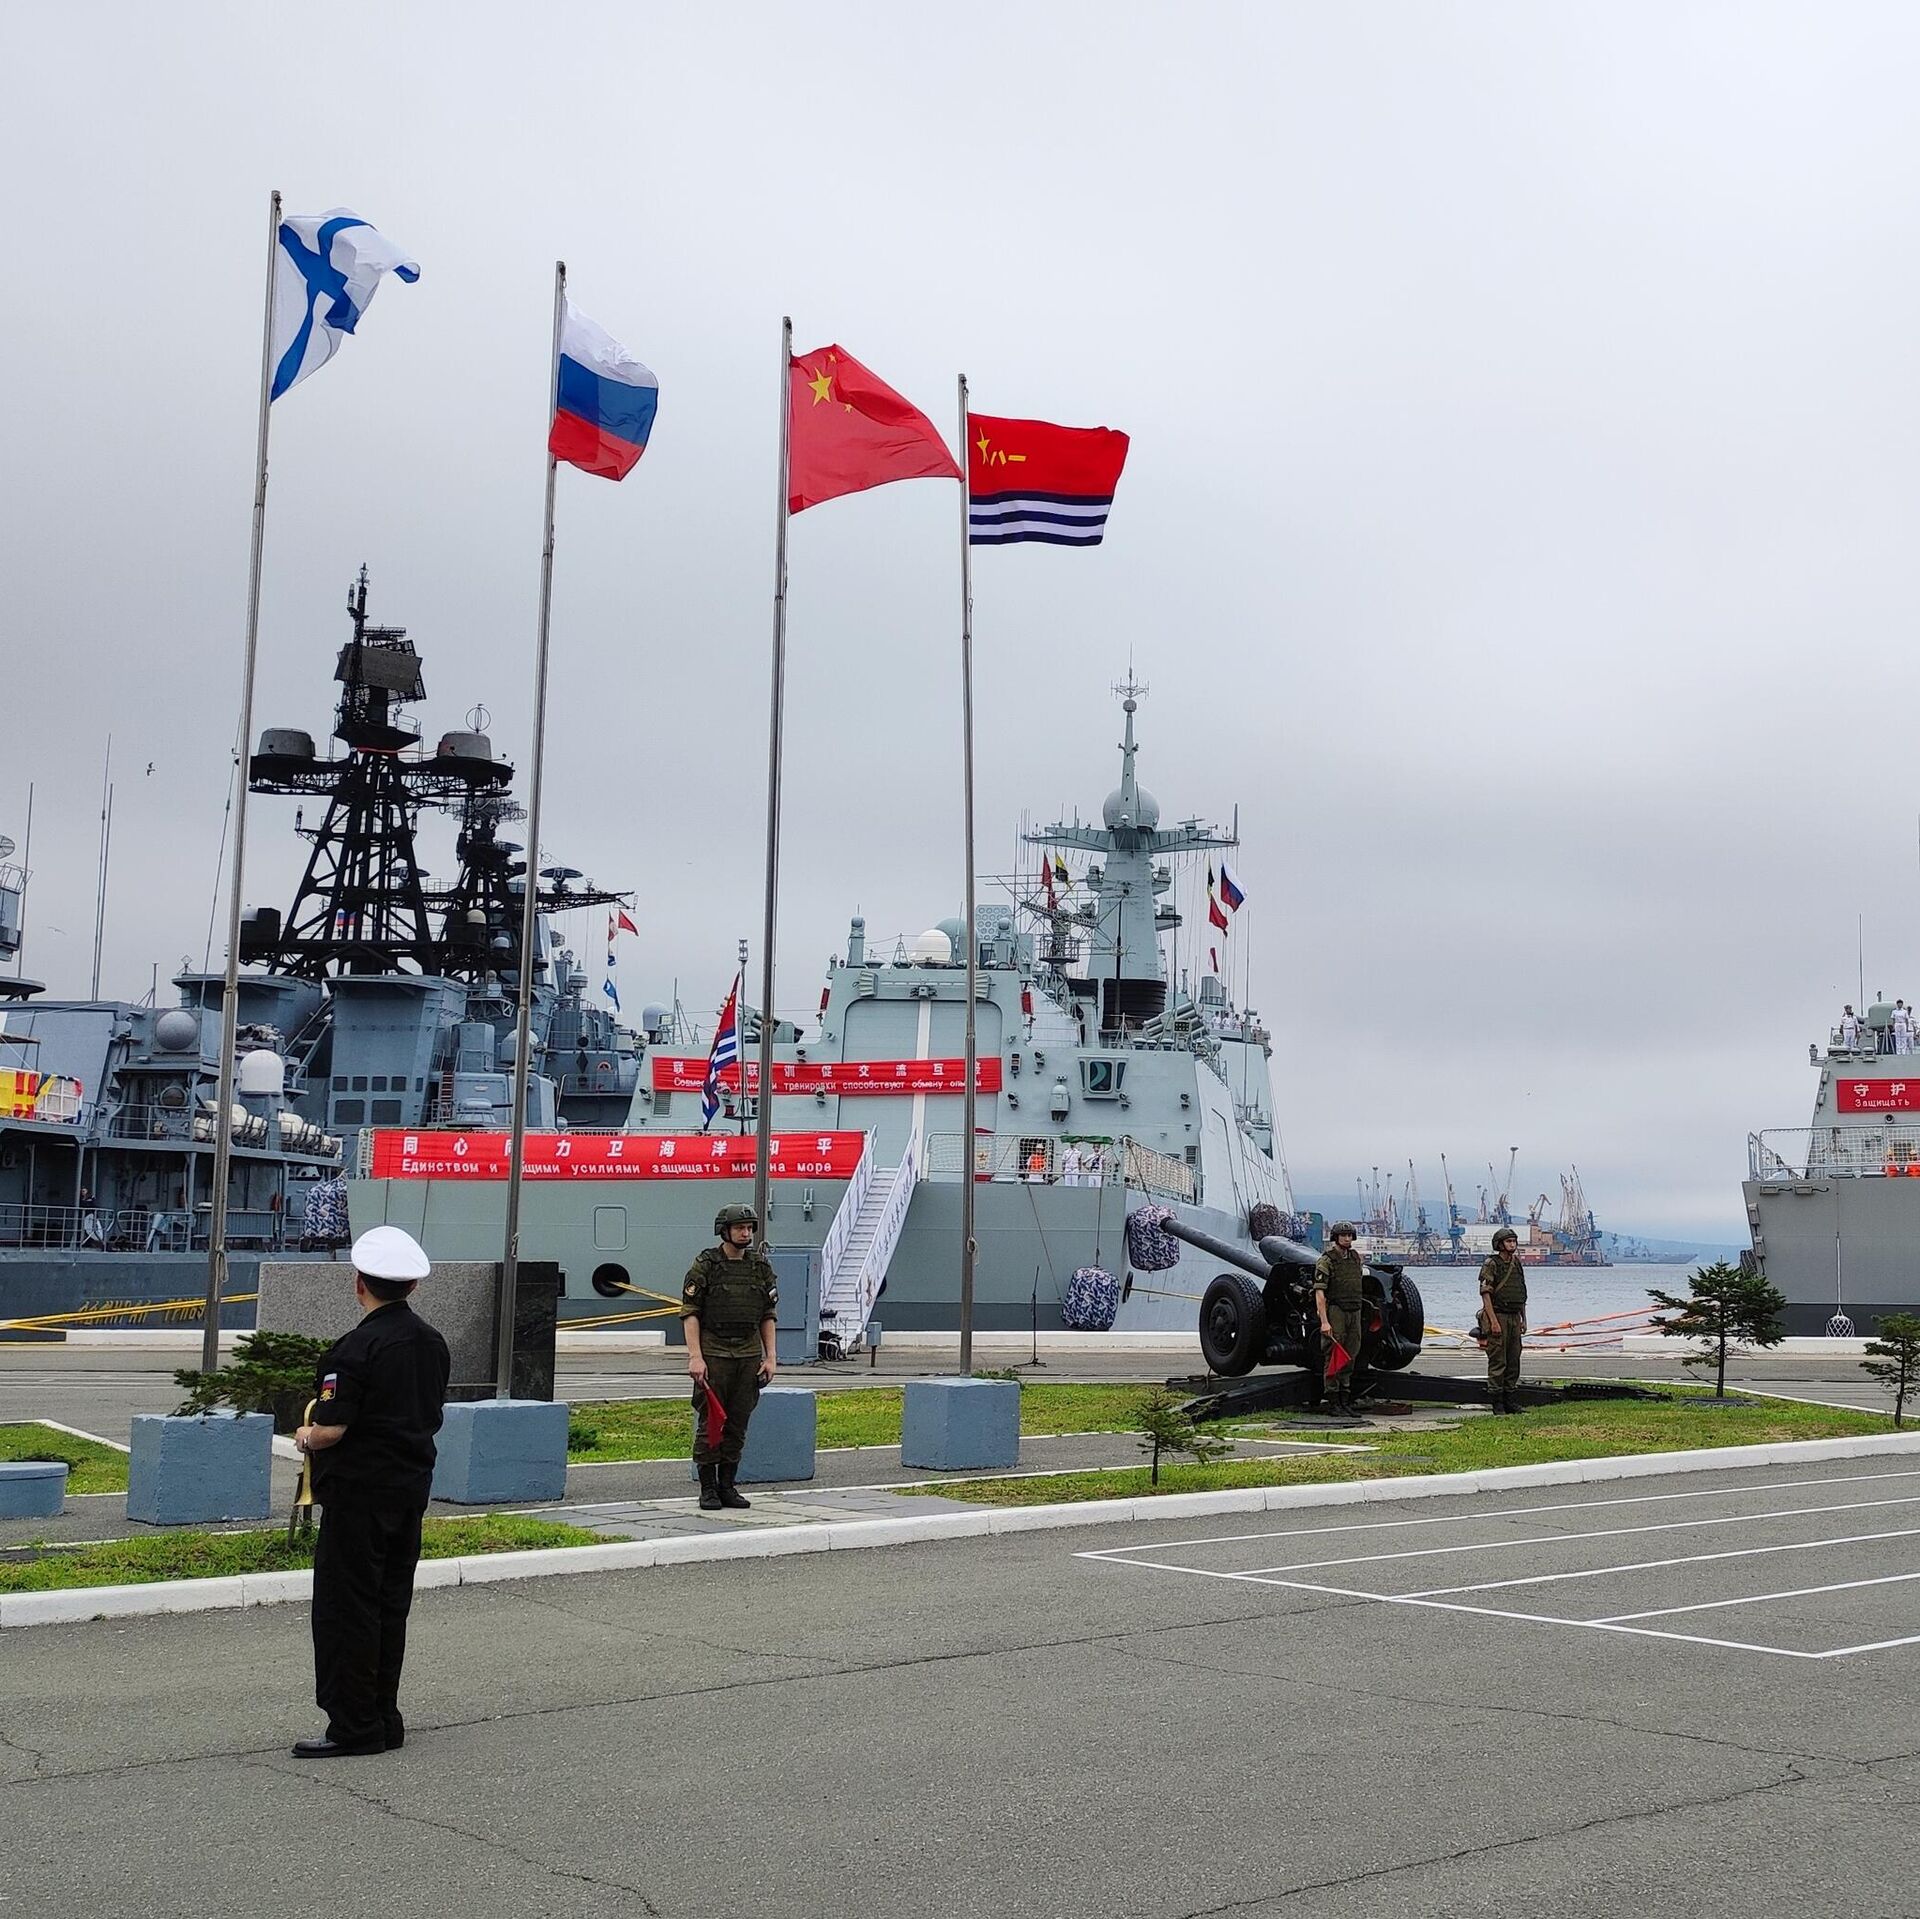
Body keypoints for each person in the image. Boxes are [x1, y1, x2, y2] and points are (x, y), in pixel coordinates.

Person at [291, 1225, 450, 1759]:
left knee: (347, 1609)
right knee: (389, 1605)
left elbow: (332, 1428)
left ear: (359, 1284)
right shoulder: (432, 1342)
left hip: (358, 1495)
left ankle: (354, 1725)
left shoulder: (355, 1348)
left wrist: (305, 1435)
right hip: (409, 1490)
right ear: (413, 1286)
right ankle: (385, 1716)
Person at [682, 1204, 779, 1511]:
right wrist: (695, 1357)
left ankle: (727, 1486)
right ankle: (708, 1488)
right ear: (724, 1230)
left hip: (748, 1355)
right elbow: (690, 1313)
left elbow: (767, 1314)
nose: (745, 1233)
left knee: (738, 1423)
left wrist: (771, 1357)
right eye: (740, 1228)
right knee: (711, 1423)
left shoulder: (760, 1267)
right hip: (715, 1354)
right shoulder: (706, 1265)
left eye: (749, 1228)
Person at [1312, 1222, 1366, 1415]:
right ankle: (1333, 1400)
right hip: (1336, 1311)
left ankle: (1345, 1399)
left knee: (1350, 1354)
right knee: (1334, 1355)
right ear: (1336, 1237)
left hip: (1354, 1310)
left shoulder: (1355, 1258)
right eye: (1343, 1235)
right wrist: (1324, 1322)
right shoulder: (1326, 1260)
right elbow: (1320, 1293)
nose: (1347, 1238)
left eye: (1350, 1235)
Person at [1478, 1225, 1528, 1414]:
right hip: (1498, 1315)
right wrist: (1493, 1321)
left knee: (1514, 1359)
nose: (1512, 1244)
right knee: (1498, 1360)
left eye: (1514, 1241)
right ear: (1500, 1244)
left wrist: (1524, 1319)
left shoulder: (1516, 1263)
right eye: (1508, 1241)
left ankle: (1510, 1399)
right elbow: (1485, 1294)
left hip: (1514, 1316)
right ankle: (1497, 1401)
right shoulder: (1491, 1264)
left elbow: (1521, 1293)